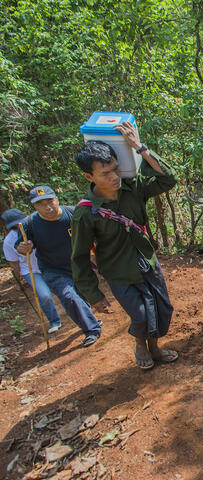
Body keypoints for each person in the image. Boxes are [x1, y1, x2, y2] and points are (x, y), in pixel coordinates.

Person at [71, 121, 178, 370]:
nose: (115, 176)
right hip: (119, 271)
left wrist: (139, 147)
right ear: (89, 176)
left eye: (116, 169)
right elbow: (79, 256)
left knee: (162, 308)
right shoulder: (85, 213)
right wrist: (93, 294)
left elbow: (168, 179)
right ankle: (141, 344)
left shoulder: (133, 189)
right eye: (106, 173)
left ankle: (154, 347)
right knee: (140, 313)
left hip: (146, 261)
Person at [16, 187, 102, 346]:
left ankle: (87, 314)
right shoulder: (28, 224)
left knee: (81, 295)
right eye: (41, 204)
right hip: (52, 268)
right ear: (35, 206)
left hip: (79, 264)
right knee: (69, 296)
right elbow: (20, 246)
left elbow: (94, 233)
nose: (48, 207)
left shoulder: (72, 213)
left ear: (57, 199)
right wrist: (23, 248)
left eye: (50, 201)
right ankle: (91, 329)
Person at [2, 208, 63, 333]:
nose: (17, 227)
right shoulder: (8, 241)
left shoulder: (37, 227)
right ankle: (54, 321)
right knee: (44, 295)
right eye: (14, 226)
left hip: (49, 264)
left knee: (64, 290)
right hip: (31, 271)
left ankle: (79, 312)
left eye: (19, 223)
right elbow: (14, 263)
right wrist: (19, 277)